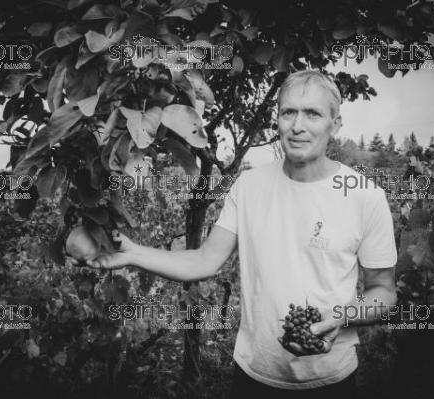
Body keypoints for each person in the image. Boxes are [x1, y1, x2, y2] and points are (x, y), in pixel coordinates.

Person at [88, 70, 398, 398]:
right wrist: (134, 254)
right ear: (277, 120)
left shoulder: (364, 195)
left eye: (313, 114)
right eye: (288, 112)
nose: (297, 126)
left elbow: (384, 291)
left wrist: (342, 316)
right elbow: (206, 259)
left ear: (335, 124)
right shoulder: (250, 185)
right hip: (253, 376)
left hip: (331, 379)